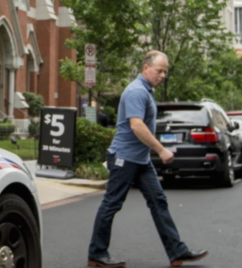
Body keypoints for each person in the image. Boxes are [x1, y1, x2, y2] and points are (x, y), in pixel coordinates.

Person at [87, 51, 208, 268]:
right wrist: (161, 150)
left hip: (140, 160)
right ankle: (97, 254)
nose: (163, 75)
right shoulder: (136, 91)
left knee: (158, 201)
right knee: (112, 204)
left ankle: (177, 252)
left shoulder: (146, 90)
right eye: (159, 70)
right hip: (124, 158)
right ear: (145, 68)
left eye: (165, 72)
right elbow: (137, 126)